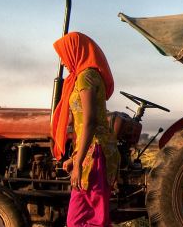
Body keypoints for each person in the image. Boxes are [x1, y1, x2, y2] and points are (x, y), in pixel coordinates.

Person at [50, 32, 118, 227]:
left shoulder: (85, 77)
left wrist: (78, 163)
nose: (63, 62)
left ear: (75, 51)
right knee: (83, 218)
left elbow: (90, 121)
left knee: (88, 219)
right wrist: (75, 157)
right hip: (91, 150)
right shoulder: (87, 76)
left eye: (64, 55)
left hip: (95, 154)